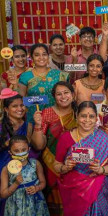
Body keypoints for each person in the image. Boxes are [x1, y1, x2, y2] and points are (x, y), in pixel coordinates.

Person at [53, 101, 108, 216]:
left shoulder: (104, 139)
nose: (87, 120)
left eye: (91, 116)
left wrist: (101, 170)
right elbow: (56, 165)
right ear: (76, 116)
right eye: (83, 116)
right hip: (75, 191)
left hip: (99, 189)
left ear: (96, 118)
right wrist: (65, 167)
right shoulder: (66, 138)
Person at [31, 81, 77, 216]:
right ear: (54, 97)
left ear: (73, 95)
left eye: (66, 93)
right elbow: (39, 145)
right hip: (50, 166)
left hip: (74, 166)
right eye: (59, 94)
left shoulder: (80, 113)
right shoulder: (47, 113)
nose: (63, 97)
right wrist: (38, 125)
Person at [0, 89, 39, 215]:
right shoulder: (1, 126)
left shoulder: (28, 125)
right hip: (4, 167)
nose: (20, 109)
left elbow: (33, 148)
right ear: (6, 109)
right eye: (14, 106)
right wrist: (5, 144)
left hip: (24, 168)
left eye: (22, 105)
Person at [18, 43, 69, 122]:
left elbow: (67, 95)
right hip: (34, 118)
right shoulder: (25, 77)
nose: (41, 58)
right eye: (37, 55)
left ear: (48, 56)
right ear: (32, 58)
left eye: (44, 54)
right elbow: (21, 100)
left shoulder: (58, 74)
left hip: (56, 118)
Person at [0, 135, 49, 216]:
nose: (20, 153)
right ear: (10, 152)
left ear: (28, 149)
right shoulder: (6, 169)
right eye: (16, 150)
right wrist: (16, 184)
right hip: (16, 207)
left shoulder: (35, 164)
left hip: (35, 203)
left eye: (23, 150)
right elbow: (3, 194)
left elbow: (43, 182)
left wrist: (37, 188)